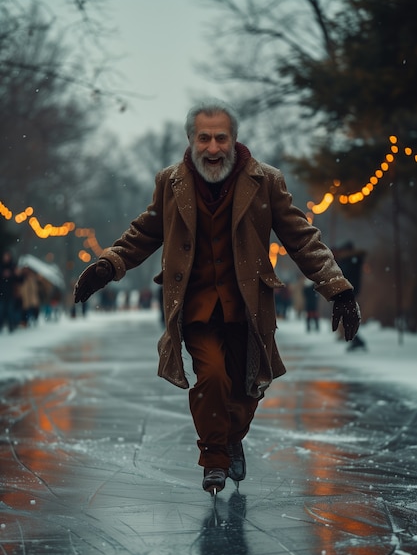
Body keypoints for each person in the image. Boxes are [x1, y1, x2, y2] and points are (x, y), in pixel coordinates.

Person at [74, 99, 360, 495]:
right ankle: (214, 459)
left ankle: (229, 438)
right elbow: (143, 233)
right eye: (204, 138)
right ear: (191, 140)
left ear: (234, 139)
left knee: (248, 388)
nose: (213, 148)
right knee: (210, 377)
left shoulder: (267, 182)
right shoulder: (170, 183)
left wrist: (338, 288)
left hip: (248, 307)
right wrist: (109, 265)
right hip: (195, 306)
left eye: (220, 138)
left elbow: (301, 238)